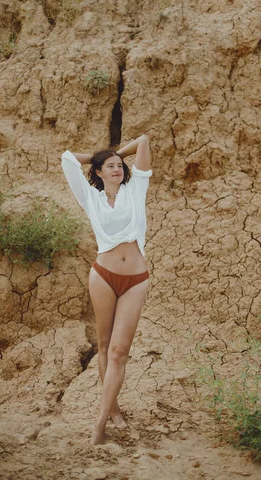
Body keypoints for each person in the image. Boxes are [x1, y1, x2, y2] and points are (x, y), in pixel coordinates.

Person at [61, 135, 152, 445]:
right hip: (102, 276)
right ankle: (112, 410)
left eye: (119, 166)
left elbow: (143, 142)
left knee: (119, 351)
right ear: (98, 172)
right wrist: (97, 159)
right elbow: (68, 158)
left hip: (136, 280)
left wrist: (114, 154)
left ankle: (99, 423)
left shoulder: (135, 189)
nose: (117, 169)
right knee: (103, 345)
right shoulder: (91, 198)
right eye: (109, 167)